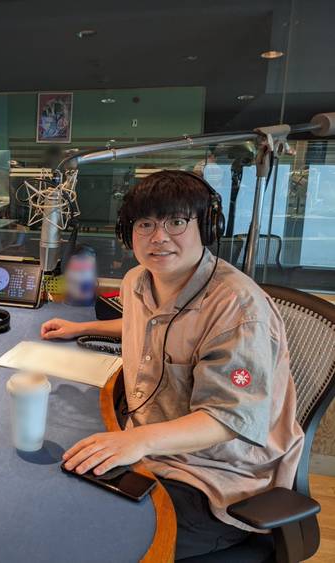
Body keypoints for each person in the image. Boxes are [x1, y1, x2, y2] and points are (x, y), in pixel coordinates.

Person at [40, 170, 303, 559]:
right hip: (148, 449)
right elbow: (153, 323)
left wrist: (137, 440)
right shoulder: (137, 280)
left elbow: (229, 418)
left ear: (207, 227)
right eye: (145, 224)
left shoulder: (237, 308)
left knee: (92, 541)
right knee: (53, 502)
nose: (159, 237)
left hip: (212, 478)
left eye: (177, 222)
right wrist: (84, 327)